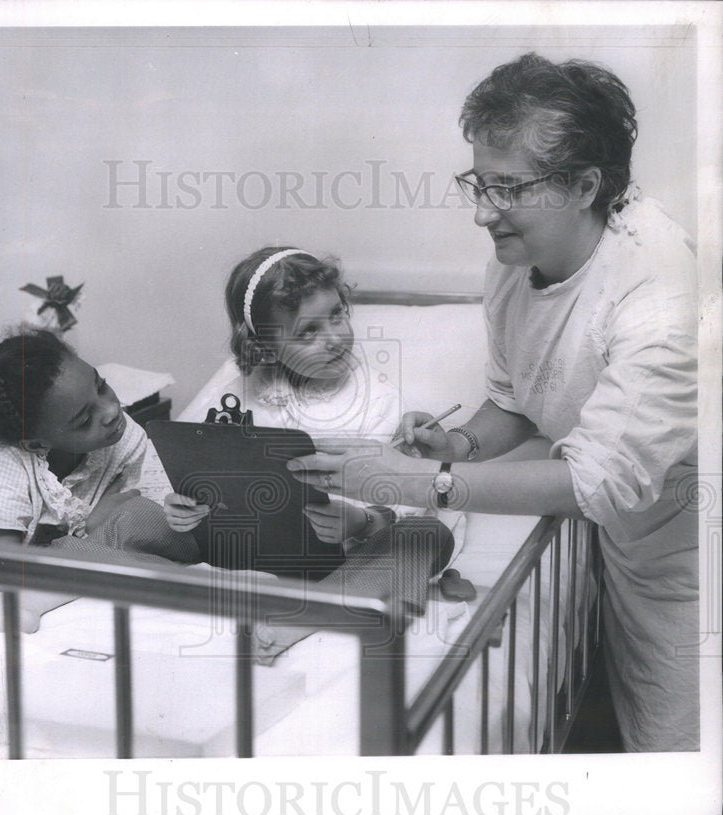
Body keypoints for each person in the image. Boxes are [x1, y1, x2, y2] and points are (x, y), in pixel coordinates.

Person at [287, 54, 699, 751]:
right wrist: (461, 445)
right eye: (479, 182)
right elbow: (515, 399)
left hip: (686, 544)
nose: (481, 212)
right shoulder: (515, 260)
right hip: (621, 536)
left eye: (506, 187)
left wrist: (412, 481)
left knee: (684, 758)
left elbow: (595, 478)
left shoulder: (653, 294)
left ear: (583, 186)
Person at [164, 247, 456, 663]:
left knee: (426, 536)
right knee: (131, 511)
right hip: (238, 547)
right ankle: (73, 574)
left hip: (339, 560)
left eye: (337, 314)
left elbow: (402, 497)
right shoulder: (236, 387)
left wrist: (362, 519)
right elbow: (185, 458)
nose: (335, 338)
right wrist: (181, 504)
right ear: (264, 347)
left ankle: (307, 615)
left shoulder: (375, 397)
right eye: (308, 332)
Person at [0, 327, 205, 630]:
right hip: (29, 582)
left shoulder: (124, 437)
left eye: (101, 387)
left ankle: (197, 582)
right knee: (122, 527)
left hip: (104, 565)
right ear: (36, 443)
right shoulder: (5, 467)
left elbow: (143, 529)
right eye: (85, 420)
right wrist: (90, 530)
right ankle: (202, 585)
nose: (112, 410)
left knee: (141, 517)